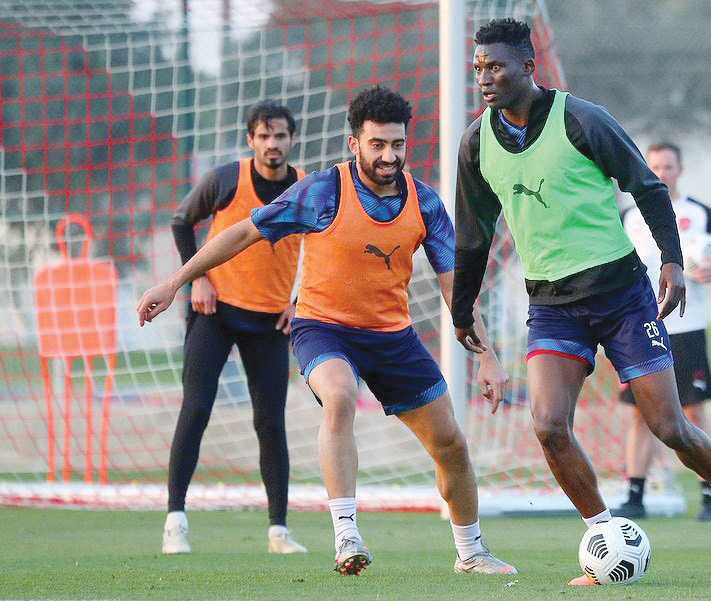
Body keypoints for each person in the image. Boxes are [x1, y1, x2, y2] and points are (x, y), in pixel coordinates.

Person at [451, 19, 711, 583]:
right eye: (479, 66)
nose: (485, 76)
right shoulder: (475, 143)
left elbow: (647, 186)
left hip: (622, 296)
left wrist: (674, 262)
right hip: (552, 307)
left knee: (670, 427)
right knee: (548, 425)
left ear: (528, 68)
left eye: (497, 66)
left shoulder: (583, 120)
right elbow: (472, 237)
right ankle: (605, 538)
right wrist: (463, 312)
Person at [140, 86, 516, 576]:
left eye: (397, 144)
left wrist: (486, 354)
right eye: (377, 144)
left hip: (392, 336)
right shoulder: (321, 190)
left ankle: (471, 553)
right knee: (338, 397)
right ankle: (346, 536)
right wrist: (176, 282)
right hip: (323, 328)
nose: (389, 155)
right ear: (353, 144)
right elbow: (240, 233)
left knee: (452, 443)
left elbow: (456, 292)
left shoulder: (425, 204)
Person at [162, 101, 306, 555]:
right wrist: (197, 278)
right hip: (215, 313)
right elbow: (182, 221)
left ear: (291, 139)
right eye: (264, 136)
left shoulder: (306, 189)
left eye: (280, 135)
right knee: (197, 407)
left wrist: (299, 301)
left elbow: (325, 249)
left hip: (270, 321)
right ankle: (175, 522)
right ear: (251, 140)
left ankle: (279, 532)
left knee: (270, 423)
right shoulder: (227, 179)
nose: (273, 144)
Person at [615, 142, 711, 521]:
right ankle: (635, 495)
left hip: (688, 327)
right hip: (640, 327)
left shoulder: (700, 214)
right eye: (654, 165)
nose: (661, 172)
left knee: (691, 413)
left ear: (679, 170)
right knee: (639, 414)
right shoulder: (629, 215)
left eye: (668, 166)